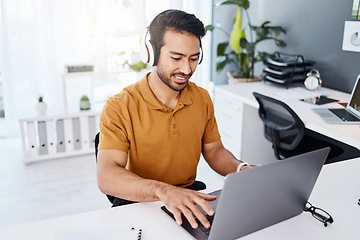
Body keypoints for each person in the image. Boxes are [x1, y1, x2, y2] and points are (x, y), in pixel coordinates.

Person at [97, 9, 260, 230]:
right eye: (176, 58)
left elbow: (214, 151)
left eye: (194, 58)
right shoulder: (119, 106)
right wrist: (163, 191)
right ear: (151, 54)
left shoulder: (201, 98)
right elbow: (107, 176)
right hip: (139, 204)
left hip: (186, 198)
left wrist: (241, 169)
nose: (186, 69)